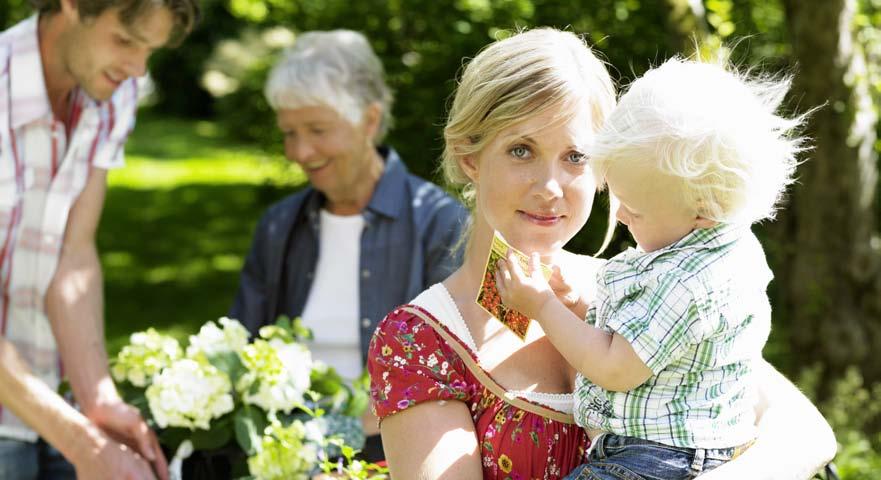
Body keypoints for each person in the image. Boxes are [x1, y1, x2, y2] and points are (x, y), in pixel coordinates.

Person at [367, 28, 837, 479]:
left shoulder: (645, 284)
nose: (550, 188)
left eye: (576, 156)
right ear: (470, 157)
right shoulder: (420, 341)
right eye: (521, 150)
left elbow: (807, 435)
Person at [495, 57, 805, 479]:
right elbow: (662, 342)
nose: (619, 215)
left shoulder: (687, 281)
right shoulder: (721, 250)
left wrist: (544, 306)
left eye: (634, 209)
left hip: (656, 461)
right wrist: (582, 301)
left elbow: (615, 368)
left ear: (704, 210)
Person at [230, 29, 469, 462]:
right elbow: (242, 350)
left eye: (318, 130)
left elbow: (454, 378)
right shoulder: (280, 224)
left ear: (369, 120)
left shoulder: (439, 223)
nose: (300, 151)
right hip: (280, 448)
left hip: (392, 453)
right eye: (289, 133)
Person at [0, 1, 199, 479]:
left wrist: (98, 399)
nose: (137, 68)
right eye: (126, 41)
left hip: (51, 398)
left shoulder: (113, 92)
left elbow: (74, 254)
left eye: (149, 49)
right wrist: (82, 442)